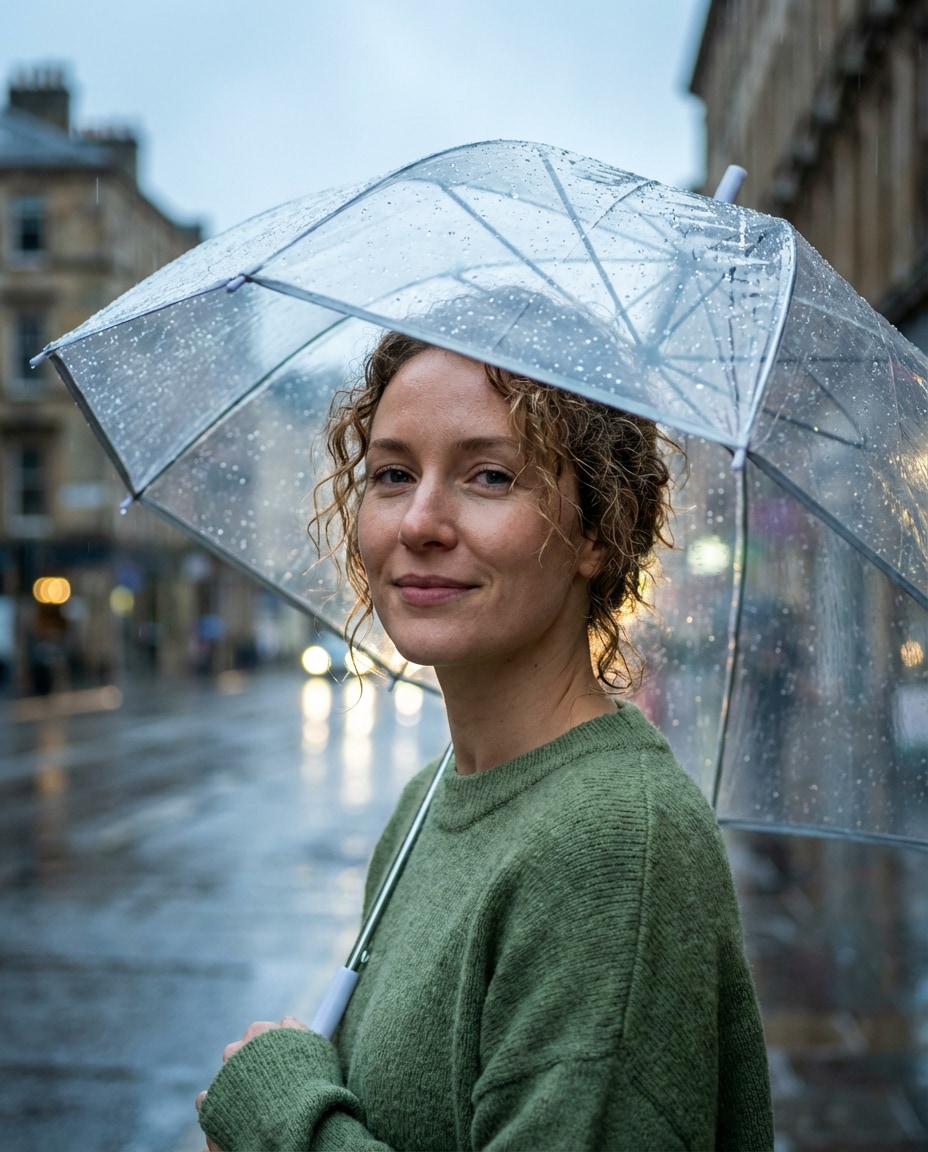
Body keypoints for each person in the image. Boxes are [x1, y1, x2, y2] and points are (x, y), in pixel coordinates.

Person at [195, 329, 774, 1151]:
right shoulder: (427, 802)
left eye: (489, 476)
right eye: (393, 474)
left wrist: (289, 1121)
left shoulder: (611, 844)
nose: (421, 521)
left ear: (599, 530)